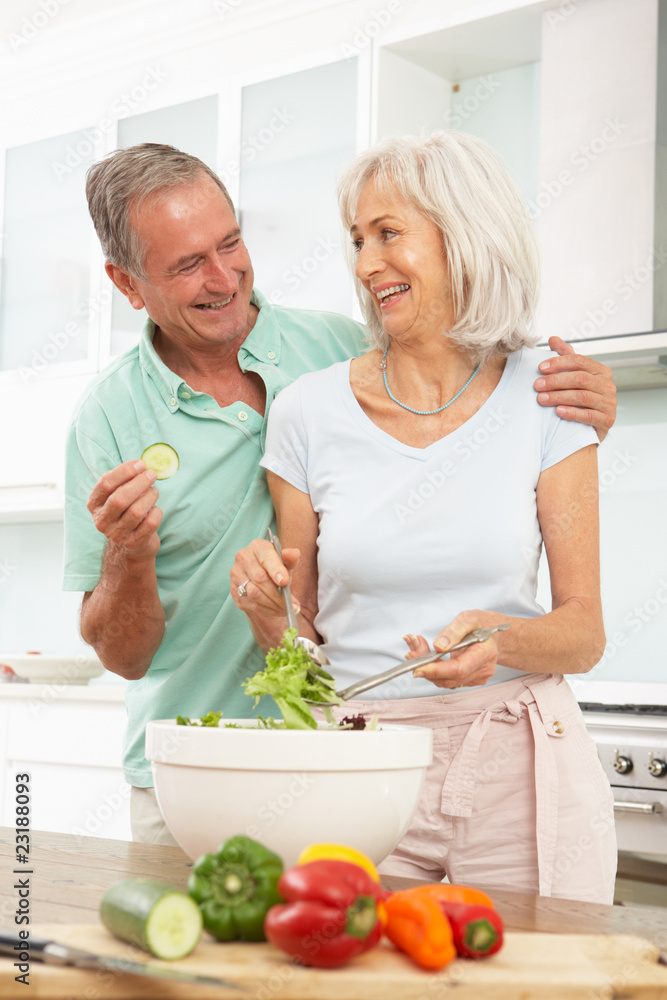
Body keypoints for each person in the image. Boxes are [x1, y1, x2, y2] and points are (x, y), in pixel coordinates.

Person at [64, 142, 616, 847]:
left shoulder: (337, 350)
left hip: (341, 749)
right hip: (207, 760)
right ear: (128, 283)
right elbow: (125, 657)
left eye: (230, 243)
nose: (223, 276)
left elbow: (466, 386)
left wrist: (583, 407)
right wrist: (127, 556)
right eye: (185, 264)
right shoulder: (107, 418)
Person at [231, 132, 617, 904]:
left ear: (462, 234)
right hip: (360, 764)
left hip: (519, 757)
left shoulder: (549, 393)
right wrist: (264, 613)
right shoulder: (307, 411)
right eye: (356, 241)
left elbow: (584, 632)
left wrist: (500, 639)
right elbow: (299, 652)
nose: (366, 263)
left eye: (388, 233)